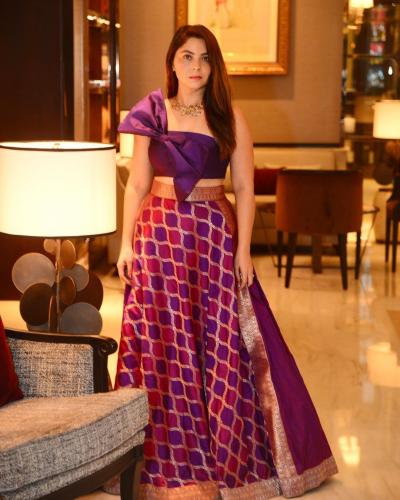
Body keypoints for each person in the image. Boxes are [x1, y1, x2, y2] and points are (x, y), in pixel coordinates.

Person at [116, 24, 338, 499]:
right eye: (187, 56)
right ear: (172, 62)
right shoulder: (151, 112)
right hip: (158, 237)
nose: (196, 67)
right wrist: (126, 244)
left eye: (205, 58)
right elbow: (137, 184)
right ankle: (162, 458)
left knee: (221, 341)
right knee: (162, 339)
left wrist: (243, 250)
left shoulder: (229, 116)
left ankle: (227, 458)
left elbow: (244, 189)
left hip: (214, 238)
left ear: (214, 66)